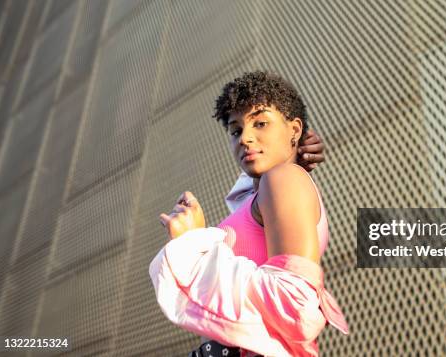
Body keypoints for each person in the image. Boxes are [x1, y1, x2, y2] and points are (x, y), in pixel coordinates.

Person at [149, 71, 349, 357]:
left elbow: (294, 303)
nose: (245, 137)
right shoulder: (267, 188)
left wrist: (192, 244)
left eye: (261, 123)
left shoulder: (283, 179)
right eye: (235, 130)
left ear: (295, 129)